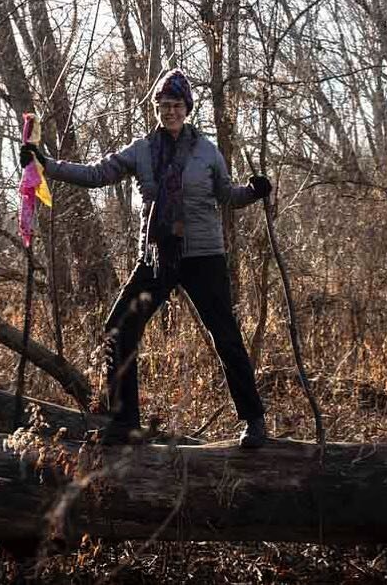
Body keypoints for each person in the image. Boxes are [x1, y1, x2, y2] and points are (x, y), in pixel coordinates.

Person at [20, 68, 272, 448]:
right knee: (119, 328)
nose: (168, 111)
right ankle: (125, 423)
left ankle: (254, 422)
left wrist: (253, 191)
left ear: (187, 108)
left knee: (226, 337)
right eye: (162, 105)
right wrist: (46, 163)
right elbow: (95, 174)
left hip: (203, 256)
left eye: (175, 105)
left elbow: (226, 196)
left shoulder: (207, 152)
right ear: (155, 109)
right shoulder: (141, 150)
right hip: (156, 257)